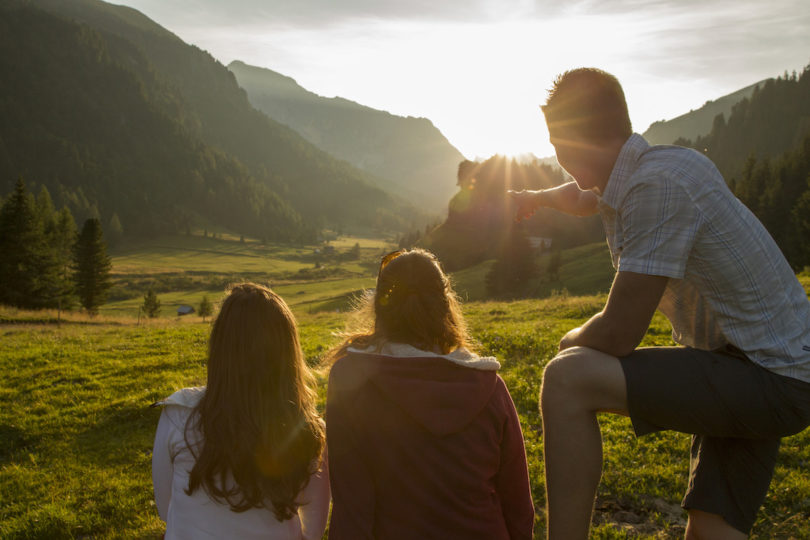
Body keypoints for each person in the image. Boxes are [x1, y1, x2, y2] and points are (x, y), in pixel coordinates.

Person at [510, 67, 810, 539]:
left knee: (566, 379)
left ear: (569, 142)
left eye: (555, 141)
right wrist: (537, 196)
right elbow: (587, 196)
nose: (554, 153)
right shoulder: (666, 164)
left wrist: (569, 342)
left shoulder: (656, 189)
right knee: (711, 531)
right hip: (777, 365)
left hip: (764, 376)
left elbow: (619, 332)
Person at [325, 248, 534, 540]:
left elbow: (352, 507)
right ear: (445, 306)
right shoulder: (490, 387)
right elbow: (519, 508)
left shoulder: (350, 380)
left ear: (380, 306)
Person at [151, 283, 330, 540]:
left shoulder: (178, 415)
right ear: (288, 352)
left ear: (221, 347)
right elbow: (312, 531)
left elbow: (165, 508)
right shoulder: (307, 431)